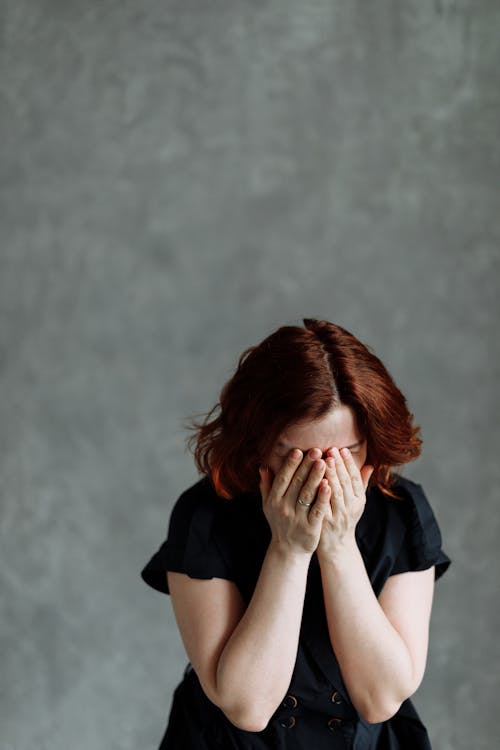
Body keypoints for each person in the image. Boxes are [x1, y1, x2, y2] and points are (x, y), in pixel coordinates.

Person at [140, 318, 451, 750]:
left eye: (345, 455)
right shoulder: (205, 515)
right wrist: (289, 548)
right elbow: (247, 706)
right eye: (297, 456)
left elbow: (381, 698)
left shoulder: (401, 512)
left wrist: (339, 546)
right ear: (258, 444)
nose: (322, 475)